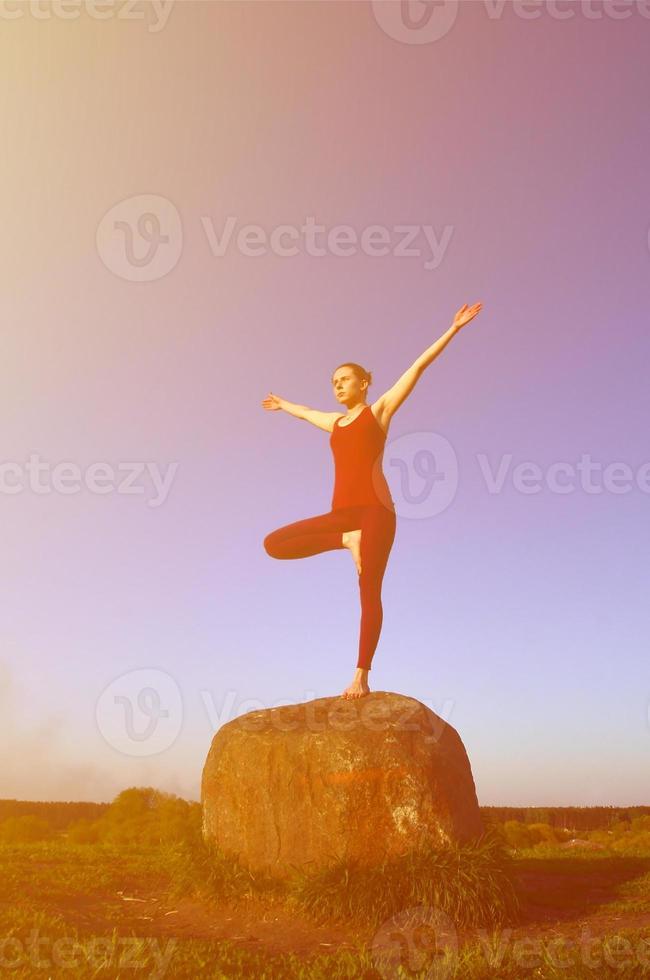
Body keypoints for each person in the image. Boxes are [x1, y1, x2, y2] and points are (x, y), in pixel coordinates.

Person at [262, 302, 483, 699]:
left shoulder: (378, 412)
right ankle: (346, 540)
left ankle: (361, 674)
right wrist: (283, 406)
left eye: (345, 379)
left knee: (369, 592)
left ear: (364, 383)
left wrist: (452, 329)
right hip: (343, 517)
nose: (338, 386)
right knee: (273, 544)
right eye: (334, 382)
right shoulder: (334, 422)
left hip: (376, 512)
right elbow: (307, 413)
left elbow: (416, 369)